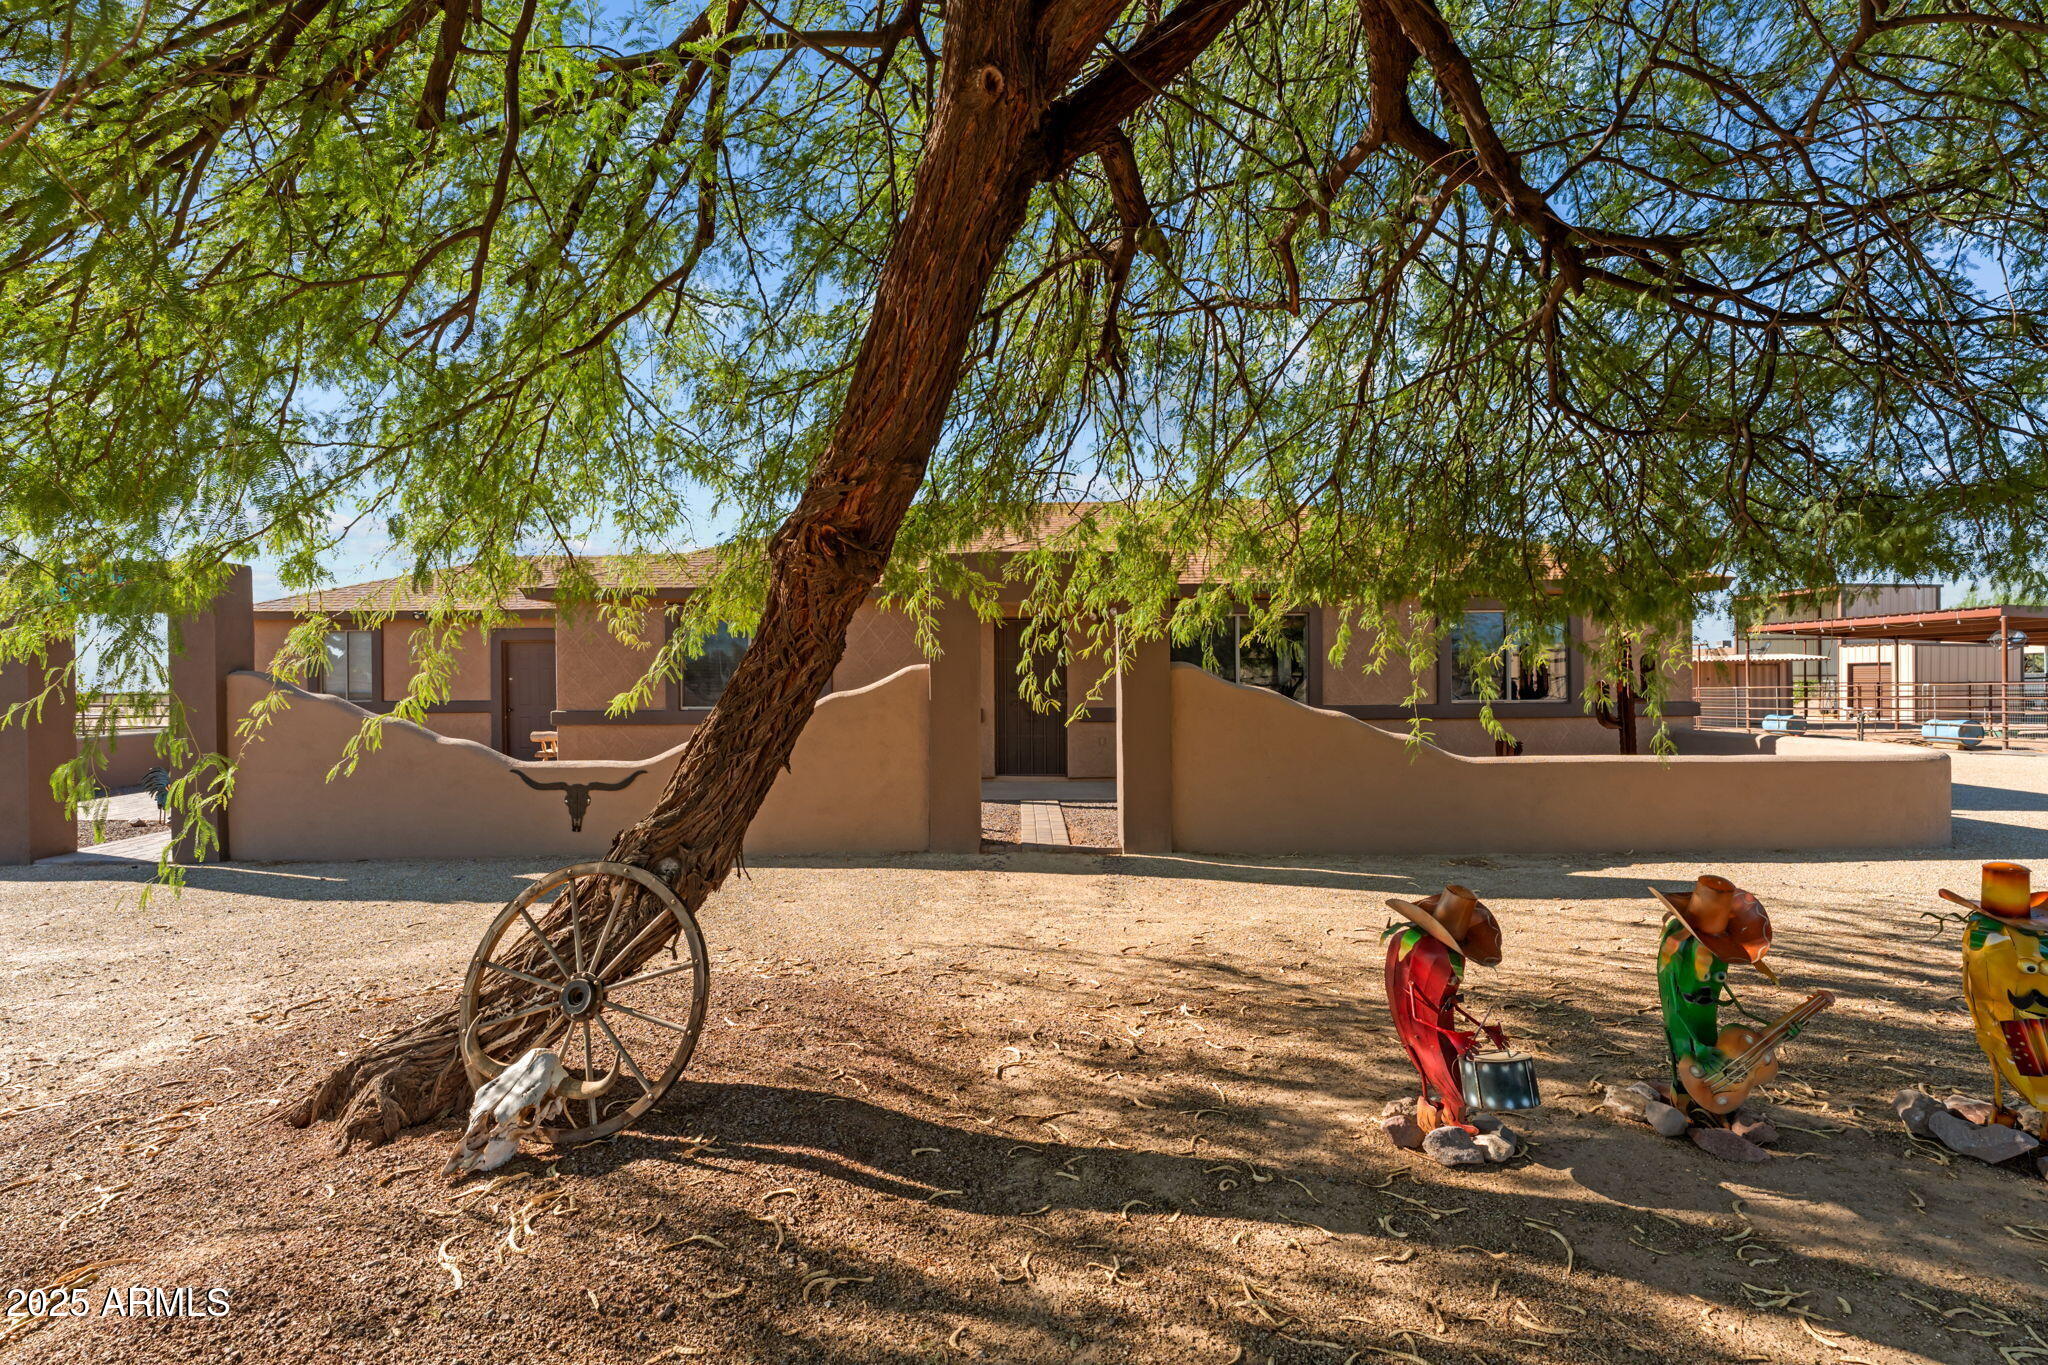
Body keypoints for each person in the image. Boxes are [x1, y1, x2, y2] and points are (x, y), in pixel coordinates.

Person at [1383, 885, 1505, 1132]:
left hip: (1436, 1021)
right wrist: (1454, 1036)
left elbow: (1443, 1002)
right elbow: (1420, 1007)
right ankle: (1446, 1113)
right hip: (1424, 1028)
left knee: (1451, 1069)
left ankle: (1449, 1112)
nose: (1454, 980)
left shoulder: (1441, 953)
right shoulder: (1430, 953)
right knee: (1440, 1066)